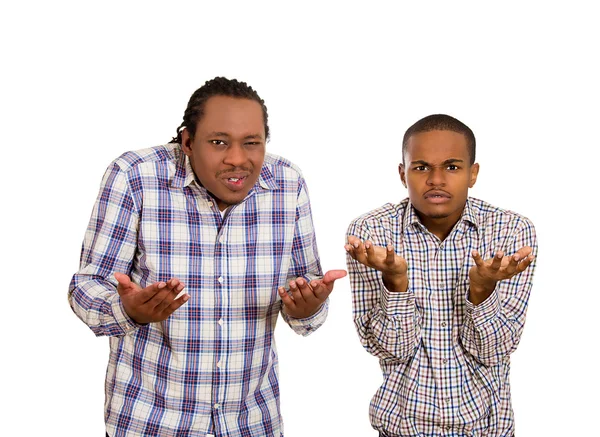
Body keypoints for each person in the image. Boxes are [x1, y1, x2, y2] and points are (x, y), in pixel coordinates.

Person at [69, 77, 346, 437]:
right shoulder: (135, 176)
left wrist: (307, 307)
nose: (237, 159)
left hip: (252, 423)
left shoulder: (288, 184)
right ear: (187, 141)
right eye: (218, 143)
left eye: (252, 143)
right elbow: (85, 287)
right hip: (150, 423)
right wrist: (128, 311)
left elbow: (305, 297)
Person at [345, 114, 537, 437]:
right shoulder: (371, 233)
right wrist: (396, 284)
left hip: (486, 429)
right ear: (402, 174)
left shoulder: (511, 231)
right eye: (421, 167)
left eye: (451, 166)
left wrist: (483, 290)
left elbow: (494, 350)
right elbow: (388, 348)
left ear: (472, 174)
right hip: (402, 429)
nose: (436, 179)